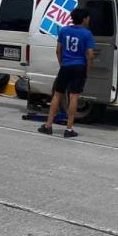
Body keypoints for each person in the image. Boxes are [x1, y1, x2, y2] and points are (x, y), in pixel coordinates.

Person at [38, 7, 96, 138]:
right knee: (74, 96)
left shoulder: (64, 30)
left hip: (65, 66)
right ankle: (69, 129)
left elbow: (58, 50)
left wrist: (62, 64)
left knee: (57, 95)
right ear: (84, 18)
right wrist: (88, 69)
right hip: (79, 67)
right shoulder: (87, 34)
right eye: (88, 17)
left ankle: (48, 125)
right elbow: (90, 55)